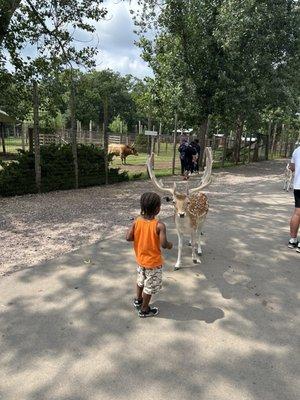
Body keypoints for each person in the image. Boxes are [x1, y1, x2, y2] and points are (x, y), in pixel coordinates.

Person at [126, 192, 173, 317]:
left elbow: (128, 238)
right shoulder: (159, 225)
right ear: (158, 209)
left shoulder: (137, 221)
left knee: (141, 281)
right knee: (149, 287)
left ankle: (138, 300)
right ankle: (144, 309)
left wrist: (136, 227)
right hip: (153, 263)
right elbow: (164, 244)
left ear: (142, 207)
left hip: (141, 260)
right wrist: (170, 245)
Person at [288, 145, 300, 252]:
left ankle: (293, 240)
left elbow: (291, 167)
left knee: (297, 213)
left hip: (298, 186)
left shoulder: (297, 150)